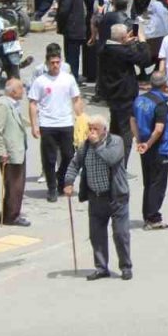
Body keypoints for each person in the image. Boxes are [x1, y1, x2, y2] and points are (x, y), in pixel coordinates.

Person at [62, 115, 132, 281]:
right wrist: (68, 182)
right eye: (90, 129)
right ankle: (101, 267)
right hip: (96, 197)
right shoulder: (85, 146)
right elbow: (74, 163)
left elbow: (111, 158)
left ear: (104, 131)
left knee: (120, 234)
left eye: (95, 129)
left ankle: (126, 267)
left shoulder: (116, 142)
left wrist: (97, 145)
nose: (91, 133)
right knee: (96, 234)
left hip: (116, 196)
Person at [28, 47, 83, 203]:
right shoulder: (40, 81)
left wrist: (81, 119)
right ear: (47, 63)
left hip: (66, 122)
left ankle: (60, 179)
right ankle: (52, 188)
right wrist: (34, 125)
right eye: (52, 62)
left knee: (68, 156)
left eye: (58, 62)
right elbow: (32, 103)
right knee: (49, 158)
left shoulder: (68, 79)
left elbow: (76, 99)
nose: (55, 65)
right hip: (47, 124)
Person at [97, 21, 154, 159]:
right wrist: (142, 41)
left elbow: (120, 49)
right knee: (126, 131)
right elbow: (146, 60)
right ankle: (121, 165)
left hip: (111, 95)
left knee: (115, 127)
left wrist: (125, 43)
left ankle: (112, 160)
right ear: (122, 38)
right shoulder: (123, 51)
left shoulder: (105, 48)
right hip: (125, 95)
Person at [131, 71, 168, 230]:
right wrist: (148, 144)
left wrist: (139, 140)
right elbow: (158, 129)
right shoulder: (160, 105)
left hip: (145, 146)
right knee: (158, 184)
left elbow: (132, 120)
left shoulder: (139, 100)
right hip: (158, 148)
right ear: (165, 85)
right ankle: (153, 218)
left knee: (148, 183)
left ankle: (148, 215)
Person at [0, 77, 31, 226]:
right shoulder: (3, 105)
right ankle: (11, 216)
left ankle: (9, 213)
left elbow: (19, 120)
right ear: (13, 91)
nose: (23, 91)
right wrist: (2, 151)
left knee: (16, 185)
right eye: (21, 88)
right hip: (10, 153)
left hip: (18, 150)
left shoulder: (13, 104)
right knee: (14, 186)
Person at [56, 0, 90, 79]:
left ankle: (73, 77)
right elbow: (63, 10)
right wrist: (61, 26)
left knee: (75, 57)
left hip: (76, 29)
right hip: (72, 29)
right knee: (72, 58)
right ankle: (72, 78)